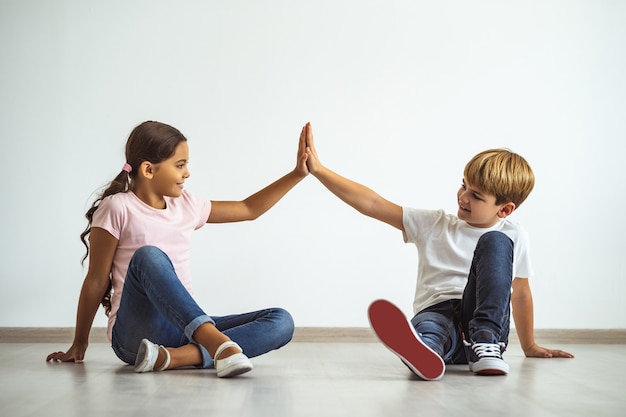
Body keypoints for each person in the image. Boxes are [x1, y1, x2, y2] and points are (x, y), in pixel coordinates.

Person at [302, 123, 574, 380]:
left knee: (496, 241)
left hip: (484, 325)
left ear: (504, 209)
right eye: (464, 185)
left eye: (476, 196)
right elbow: (373, 203)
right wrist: (319, 170)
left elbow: (521, 293)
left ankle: (486, 344)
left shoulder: (514, 234)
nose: (463, 196)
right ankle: (425, 351)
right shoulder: (434, 224)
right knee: (431, 325)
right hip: (438, 310)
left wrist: (529, 345)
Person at [47, 120, 309, 378]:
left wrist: (297, 173)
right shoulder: (117, 208)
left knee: (281, 321)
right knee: (148, 255)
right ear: (149, 170)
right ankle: (216, 345)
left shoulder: (187, 205)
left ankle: (171, 358)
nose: (187, 173)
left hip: (183, 331)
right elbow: (95, 280)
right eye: (180, 165)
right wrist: (79, 344)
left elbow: (249, 209)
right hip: (134, 336)